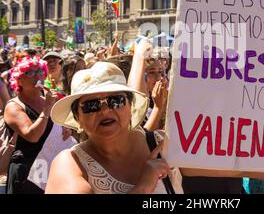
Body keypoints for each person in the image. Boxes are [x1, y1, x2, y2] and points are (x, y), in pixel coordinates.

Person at [45, 61, 183, 194]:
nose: (105, 111)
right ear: (77, 117)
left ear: (130, 106)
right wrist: (143, 187)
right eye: (91, 105)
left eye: (116, 101)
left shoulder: (163, 143)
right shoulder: (69, 164)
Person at [4, 56, 57, 194]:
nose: (37, 76)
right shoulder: (13, 106)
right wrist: (47, 109)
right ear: (19, 80)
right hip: (26, 171)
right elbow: (32, 136)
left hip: (49, 166)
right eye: (30, 72)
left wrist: (66, 129)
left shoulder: (48, 100)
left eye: (40, 71)